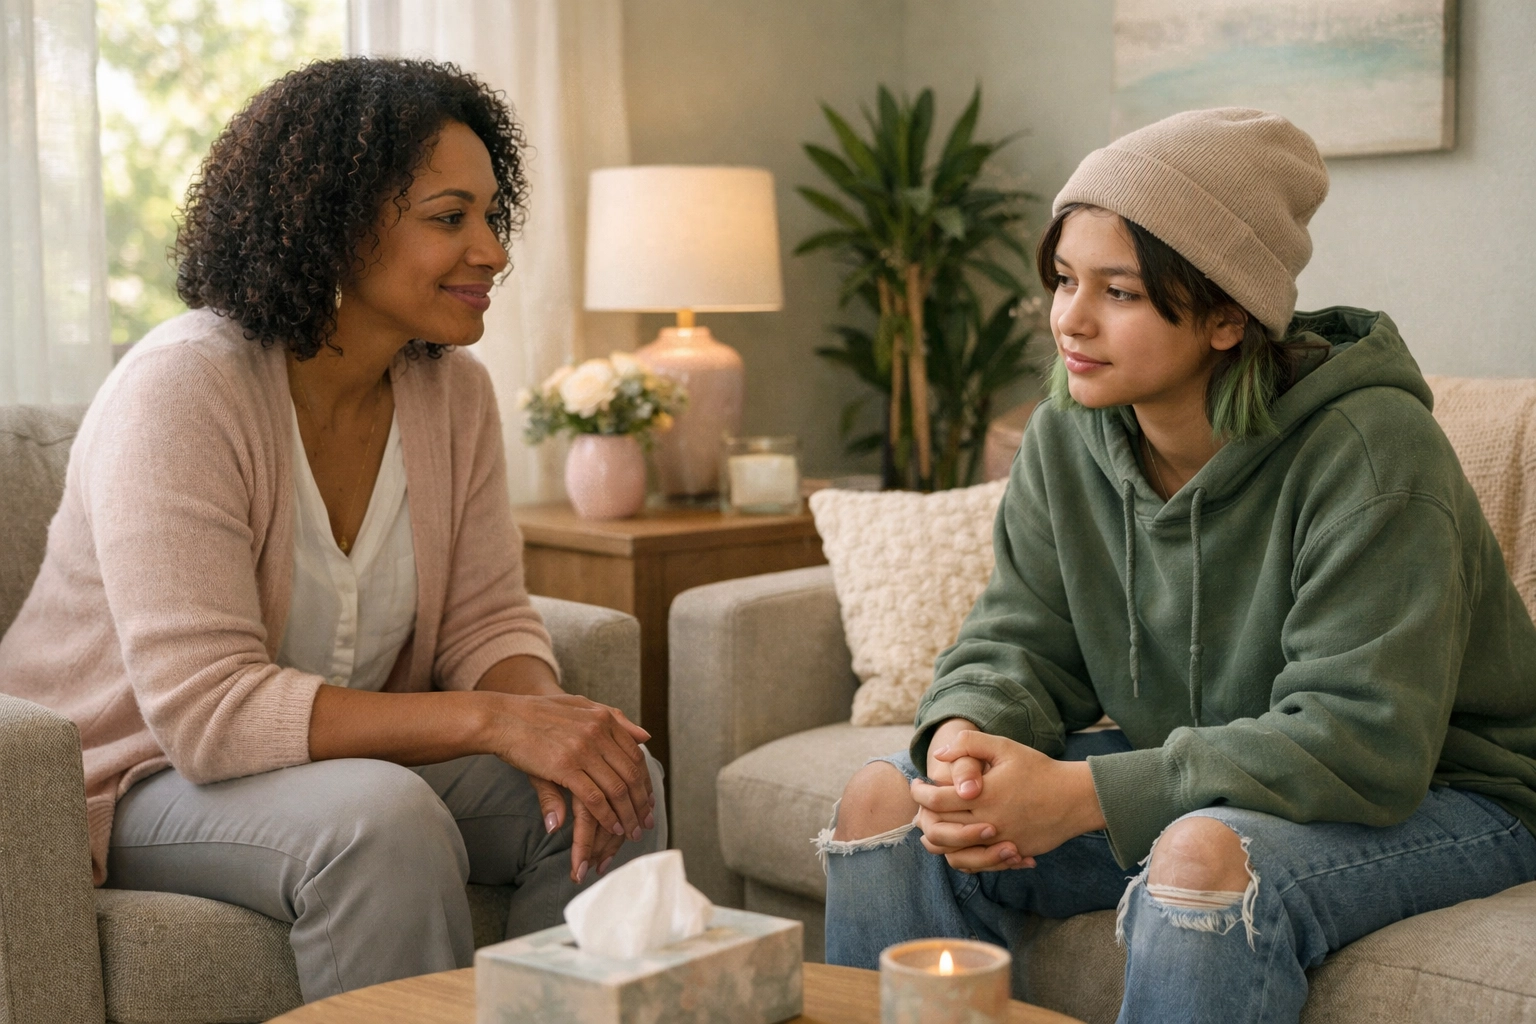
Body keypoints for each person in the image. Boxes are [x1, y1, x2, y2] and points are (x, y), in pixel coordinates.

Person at [819, 108, 1536, 1022]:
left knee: (1199, 858)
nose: (1070, 320)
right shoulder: (1066, 436)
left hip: (1451, 792)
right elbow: (1021, 636)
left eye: (1118, 292)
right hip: (1216, 768)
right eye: (1066, 279)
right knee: (887, 801)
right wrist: (964, 738)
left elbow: (1364, 740)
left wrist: (1082, 794)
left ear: (1228, 314)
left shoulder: (1372, 450)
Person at [0, 57, 663, 1002]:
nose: (491, 251)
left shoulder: (452, 395)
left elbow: (486, 622)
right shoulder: (184, 388)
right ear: (336, 224)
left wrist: (555, 727)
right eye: (449, 218)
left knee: (618, 783)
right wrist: (492, 718)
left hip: (323, 760)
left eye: (489, 215)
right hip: (132, 773)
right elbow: (208, 714)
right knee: (378, 818)